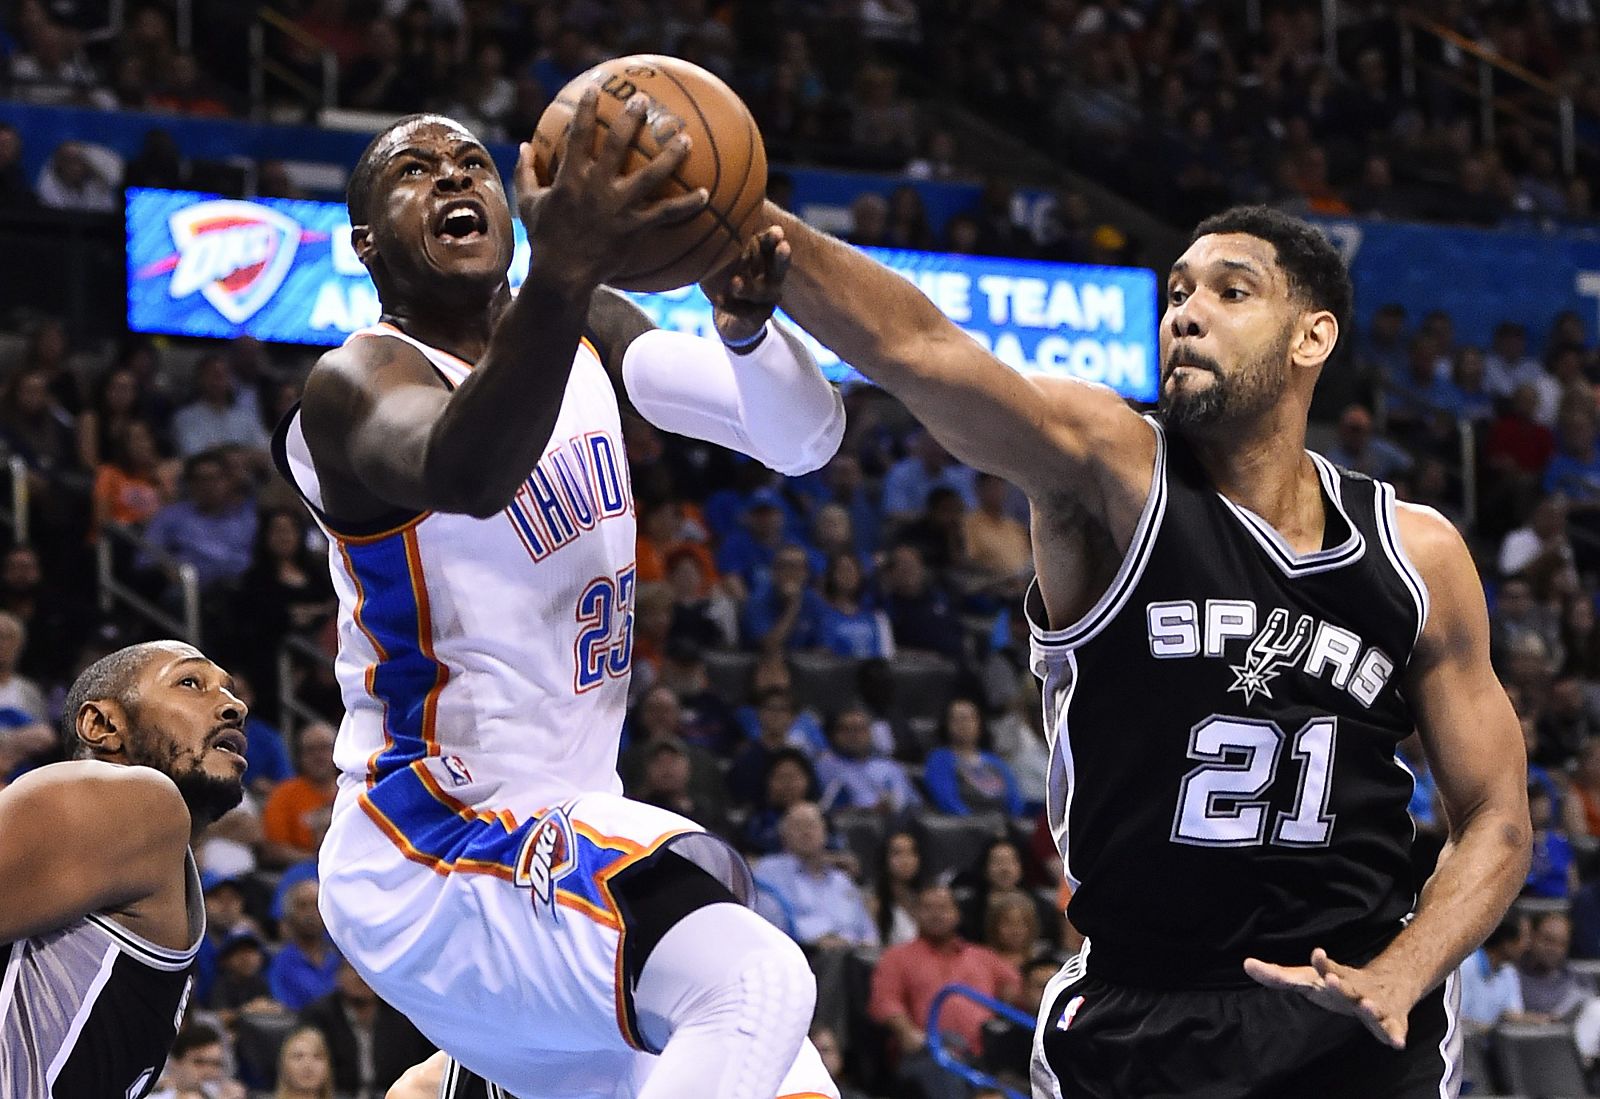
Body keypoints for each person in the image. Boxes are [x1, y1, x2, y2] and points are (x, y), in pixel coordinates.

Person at [768, 202, 1531, 1095]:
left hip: (1351, 1014)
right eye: (1178, 291)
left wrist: (1405, 970)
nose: (1185, 311)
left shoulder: (1417, 553)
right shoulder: (1110, 470)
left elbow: (1498, 818)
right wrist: (758, 234)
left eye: (1231, 290)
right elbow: (926, 351)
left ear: (1311, 336)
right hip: (1142, 1018)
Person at [276, 99, 845, 1099]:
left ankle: (469, 1079)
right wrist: (567, 268)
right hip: (432, 842)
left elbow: (801, 440)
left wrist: (749, 334)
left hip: (554, 838)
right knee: (753, 979)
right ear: (365, 244)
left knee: (793, 1080)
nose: (455, 177)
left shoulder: (587, 329)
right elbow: (467, 467)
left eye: (472, 163)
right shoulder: (354, 382)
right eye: (416, 169)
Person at [0, 640, 249, 1097]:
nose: (234, 706)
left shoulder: (159, 865)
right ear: (102, 725)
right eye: (191, 682)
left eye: (230, 691)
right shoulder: (143, 799)